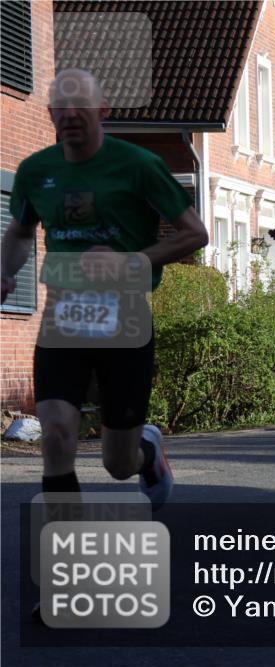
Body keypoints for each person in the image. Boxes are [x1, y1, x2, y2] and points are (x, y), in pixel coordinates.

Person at [1, 70, 208, 516]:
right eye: (62, 105)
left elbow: (195, 233)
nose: (71, 114)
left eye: (81, 106)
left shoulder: (139, 166)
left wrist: (132, 262)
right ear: (52, 113)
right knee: (56, 434)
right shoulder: (37, 171)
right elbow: (19, 231)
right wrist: (4, 274)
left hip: (126, 322)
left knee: (118, 463)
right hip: (63, 319)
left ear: (103, 112)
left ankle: (147, 453)